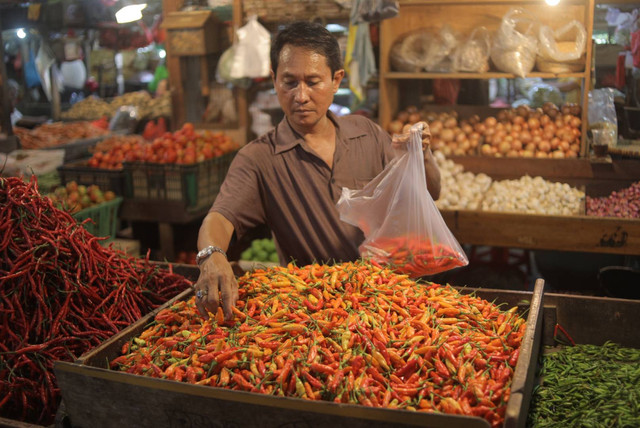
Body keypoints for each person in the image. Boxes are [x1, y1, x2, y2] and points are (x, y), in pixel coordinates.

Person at [193, 21, 441, 319]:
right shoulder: (258, 158)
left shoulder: (366, 133)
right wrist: (211, 255)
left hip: (386, 300)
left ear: (336, 80)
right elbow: (220, 217)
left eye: (313, 81)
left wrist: (421, 154)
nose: (300, 96)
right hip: (314, 313)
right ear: (274, 80)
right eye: (289, 82)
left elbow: (431, 191)